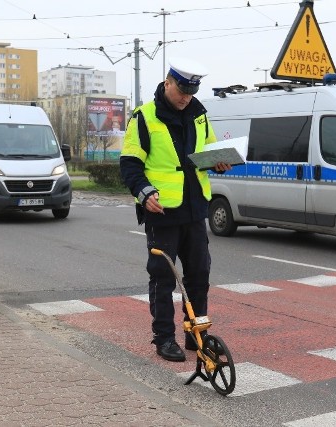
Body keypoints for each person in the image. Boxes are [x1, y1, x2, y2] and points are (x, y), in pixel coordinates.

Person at [120, 58, 232, 362]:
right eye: (181, 90)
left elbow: (205, 153)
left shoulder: (198, 114)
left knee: (199, 275)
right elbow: (130, 164)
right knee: (163, 278)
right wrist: (144, 193)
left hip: (195, 210)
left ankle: (196, 335)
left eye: (190, 92)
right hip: (163, 212)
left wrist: (219, 161)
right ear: (168, 82)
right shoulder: (144, 117)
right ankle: (164, 339)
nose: (185, 98)